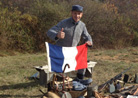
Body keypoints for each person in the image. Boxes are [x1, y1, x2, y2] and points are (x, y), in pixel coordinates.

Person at [47, 5, 93, 82]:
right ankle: (58, 81)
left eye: (79, 14)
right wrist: (57, 34)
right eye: (75, 13)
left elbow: (87, 36)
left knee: (82, 60)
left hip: (73, 51)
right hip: (61, 51)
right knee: (59, 73)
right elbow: (49, 32)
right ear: (71, 13)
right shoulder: (64, 23)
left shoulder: (82, 25)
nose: (77, 16)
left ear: (82, 14)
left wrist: (89, 42)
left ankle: (79, 80)